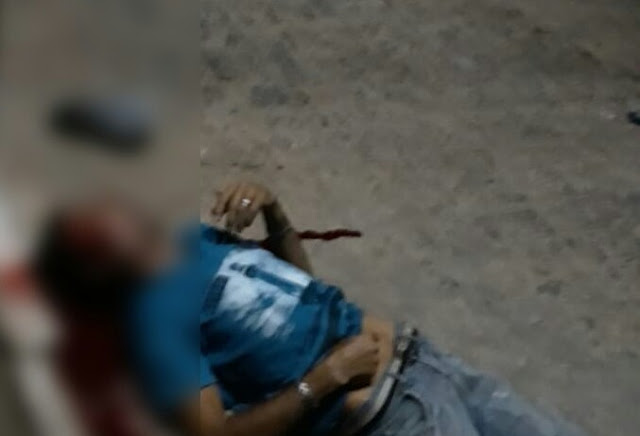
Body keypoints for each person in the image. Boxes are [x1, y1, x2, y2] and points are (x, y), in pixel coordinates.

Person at [33, 181, 585, 436]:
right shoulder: (151, 323)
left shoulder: (192, 239)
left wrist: (275, 212)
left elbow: (304, 288)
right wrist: (324, 380)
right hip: (391, 417)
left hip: (427, 364)